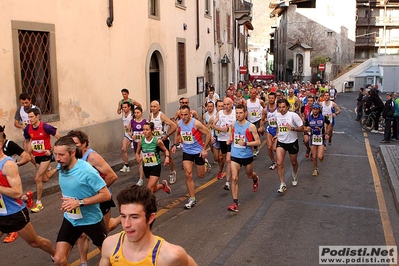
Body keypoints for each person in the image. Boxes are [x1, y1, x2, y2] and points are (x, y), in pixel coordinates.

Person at [99, 185, 197, 266]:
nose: (126, 224)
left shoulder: (170, 256)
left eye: (134, 217)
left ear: (150, 218)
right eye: (123, 216)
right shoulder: (110, 245)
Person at [52, 136, 111, 266]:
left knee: (108, 257)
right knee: (59, 259)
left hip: (91, 220)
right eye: (55, 154)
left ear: (72, 153)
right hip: (71, 218)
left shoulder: (87, 171)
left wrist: (79, 202)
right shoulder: (61, 165)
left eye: (61, 155)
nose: (57, 158)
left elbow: (106, 195)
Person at [66, 130, 120, 266]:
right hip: (81, 202)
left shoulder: (92, 157)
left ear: (84, 144)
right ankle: (83, 263)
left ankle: (119, 219)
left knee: (105, 229)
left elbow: (112, 176)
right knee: (82, 233)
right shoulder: (72, 159)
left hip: (100, 199)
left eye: (76, 144)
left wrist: (95, 192)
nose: (73, 148)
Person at [0, 133, 55, 258]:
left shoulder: (7, 164)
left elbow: (17, 192)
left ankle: (56, 256)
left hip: (13, 213)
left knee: (35, 242)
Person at [171, 105, 211, 209]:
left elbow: (208, 133)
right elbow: (177, 134)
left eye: (185, 115)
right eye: (182, 115)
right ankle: (192, 198)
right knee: (188, 174)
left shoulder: (196, 124)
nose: (183, 117)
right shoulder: (179, 123)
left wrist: (204, 149)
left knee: (201, 175)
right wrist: (175, 145)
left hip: (198, 151)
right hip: (187, 151)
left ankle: (205, 163)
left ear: (190, 114)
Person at [24, 108, 61, 213]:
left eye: (31, 117)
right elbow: (29, 140)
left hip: (46, 156)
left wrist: (51, 150)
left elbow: (60, 138)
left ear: (37, 116)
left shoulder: (45, 127)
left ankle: (39, 203)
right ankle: (58, 168)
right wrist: (29, 152)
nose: (30, 119)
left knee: (37, 178)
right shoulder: (28, 129)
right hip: (36, 157)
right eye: (28, 117)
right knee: (44, 178)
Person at [0, 125, 32, 243]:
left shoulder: (9, 148)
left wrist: (15, 165)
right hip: (2, 205)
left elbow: (26, 156)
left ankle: (57, 257)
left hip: (14, 209)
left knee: (34, 242)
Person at [226, 104, 261, 212]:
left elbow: (258, 142)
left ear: (245, 113)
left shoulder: (251, 126)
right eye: (236, 113)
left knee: (249, 175)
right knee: (234, 178)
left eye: (240, 113)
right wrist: (229, 141)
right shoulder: (233, 125)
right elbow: (230, 137)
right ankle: (235, 203)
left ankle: (255, 179)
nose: (238, 115)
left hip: (247, 155)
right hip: (235, 155)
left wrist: (246, 143)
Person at [274, 98, 304, 193]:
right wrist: (276, 135)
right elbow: (278, 126)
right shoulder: (277, 115)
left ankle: (294, 174)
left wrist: (292, 128)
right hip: (281, 142)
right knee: (279, 163)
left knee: (294, 162)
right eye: (280, 107)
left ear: (287, 106)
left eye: (283, 107)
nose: (282, 109)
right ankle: (282, 184)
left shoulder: (293, 115)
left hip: (292, 142)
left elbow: (302, 128)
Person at [135, 122, 172, 194]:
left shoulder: (157, 141)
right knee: (153, 189)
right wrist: (137, 157)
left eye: (147, 130)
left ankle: (150, 204)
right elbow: (137, 152)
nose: (145, 131)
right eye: (144, 130)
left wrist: (167, 157)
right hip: (146, 167)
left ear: (152, 131)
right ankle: (162, 186)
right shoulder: (141, 141)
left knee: (148, 189)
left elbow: (166, 150)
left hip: (155, 167)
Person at [149, 100, 178, 184]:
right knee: (155, 159)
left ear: (159, 107)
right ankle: (155, 177)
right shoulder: (150, 115)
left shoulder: (162, 116)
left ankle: (172, 172)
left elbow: (174, 126)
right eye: (151, 106)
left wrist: (166, 135)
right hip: (154, 141)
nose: (153, 108)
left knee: (168, 157)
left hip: (163, 140)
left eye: (155, 106)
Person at [213, 97, 236, 190]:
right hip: (222, 138)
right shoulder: (220, 113)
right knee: (222, 157)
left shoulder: (235, 113)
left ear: (232, 104)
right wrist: (220, 129)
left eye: (228, 104)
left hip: (231, 139)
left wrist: (232, 126)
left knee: (228, 159)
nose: (226, 106)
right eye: (225, 105)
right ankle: (222, 171)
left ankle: (227, 182)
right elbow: (213, 125)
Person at [14, 92, 42, 167]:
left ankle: (44, 166)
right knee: (27, 153)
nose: (25, 105)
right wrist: (21, 126)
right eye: (23, 103)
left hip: (35, 134)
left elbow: (40, 122)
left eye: (26, 102)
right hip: (27, 135)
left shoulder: (36, 109)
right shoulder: (20, 110)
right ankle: (37, 166)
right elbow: (16, 123)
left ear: (30, 100)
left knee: (38, 152)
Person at [304, 103, 331, 176]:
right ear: (312, 109)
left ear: (319, 110)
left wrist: (327, 133)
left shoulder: (323, 117)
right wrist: (306, 131)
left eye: (316, 109)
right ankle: (316, 169)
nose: (315, 110)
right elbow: (305, 127)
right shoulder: (309, 118)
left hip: (321, 138)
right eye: (313, 109)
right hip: (312, 138)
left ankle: (322, 157)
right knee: (314, 156)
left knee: (320, 156)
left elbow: (329, 124)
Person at [259, 92, 278, 170]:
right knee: (269, 147)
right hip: (270, 128)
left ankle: (279, 160)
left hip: (277, 129)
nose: (271, 99)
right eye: (269, 98)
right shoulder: (265, 109)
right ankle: (274, 161)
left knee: (274, 148)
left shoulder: (278, 108)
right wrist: (261, 127)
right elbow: (262, 119)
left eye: (272, 98)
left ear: (275, 98)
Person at [246, 88, 265, 157]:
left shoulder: (260, 101)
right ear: (249, 94)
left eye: (254, 93)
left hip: (257, 120)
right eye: (251, 93)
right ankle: (252, 148)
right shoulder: (247, 102)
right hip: (249, 121)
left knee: (256, 134)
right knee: (250, 135)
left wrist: (263, 117)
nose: (252, 94)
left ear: (256, 94)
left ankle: (256, 148)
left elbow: (265, 109)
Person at [130, 106, 146, 185]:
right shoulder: (132, 121)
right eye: (135, 113)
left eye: (138, 113)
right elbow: (128, 130)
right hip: (135, 143)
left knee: (141, 161)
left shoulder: (145, 121)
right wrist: (131, 135)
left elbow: (149, 131)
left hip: (143, 144)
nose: (136, 114)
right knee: (139, 161)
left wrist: (144, 136)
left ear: (141, 112)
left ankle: (141, 179)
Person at [120, 102, 133, 173]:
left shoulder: (131, 115)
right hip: (127, 134)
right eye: (123, 107)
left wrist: (129, 127)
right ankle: (126, 166)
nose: (124, 109)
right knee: (123, 149)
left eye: (125, 107)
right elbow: (118, 110)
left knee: (139, 151)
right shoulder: (123, 114)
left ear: (129, 107)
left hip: (132, 134)